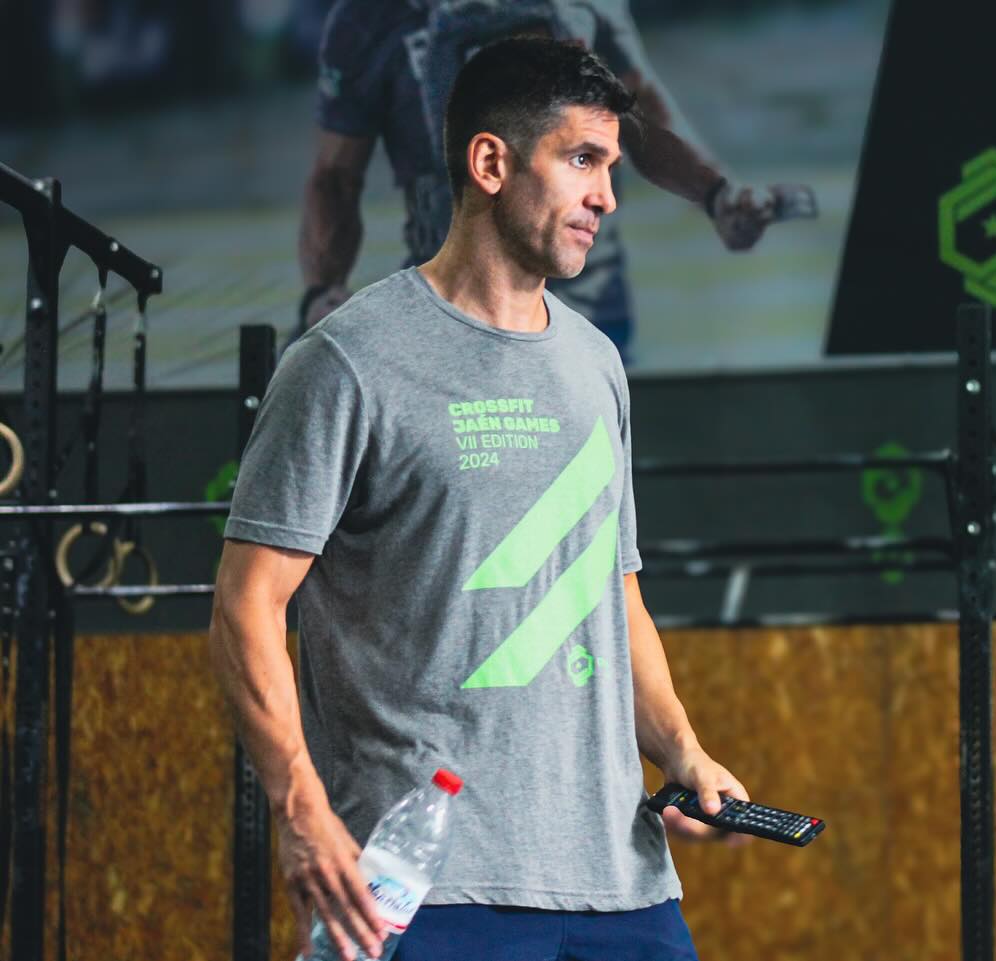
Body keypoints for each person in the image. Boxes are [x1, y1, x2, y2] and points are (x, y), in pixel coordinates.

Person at [211, 36, 746, 961]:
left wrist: (683, 748)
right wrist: (301, 810)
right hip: (430, 879)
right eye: (582, 159)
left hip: (618, 874)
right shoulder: (347, 363)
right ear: (490, 162)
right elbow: (245, 603)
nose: (607, 197)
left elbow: (610, 593)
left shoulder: (595, 365)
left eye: (611, 167)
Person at [298, 0, 800, 359]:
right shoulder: (370, 17)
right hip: (448, 311)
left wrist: (717, 195)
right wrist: (323, 291)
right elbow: (337, 176)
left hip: (586, 314)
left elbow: (641, 108)